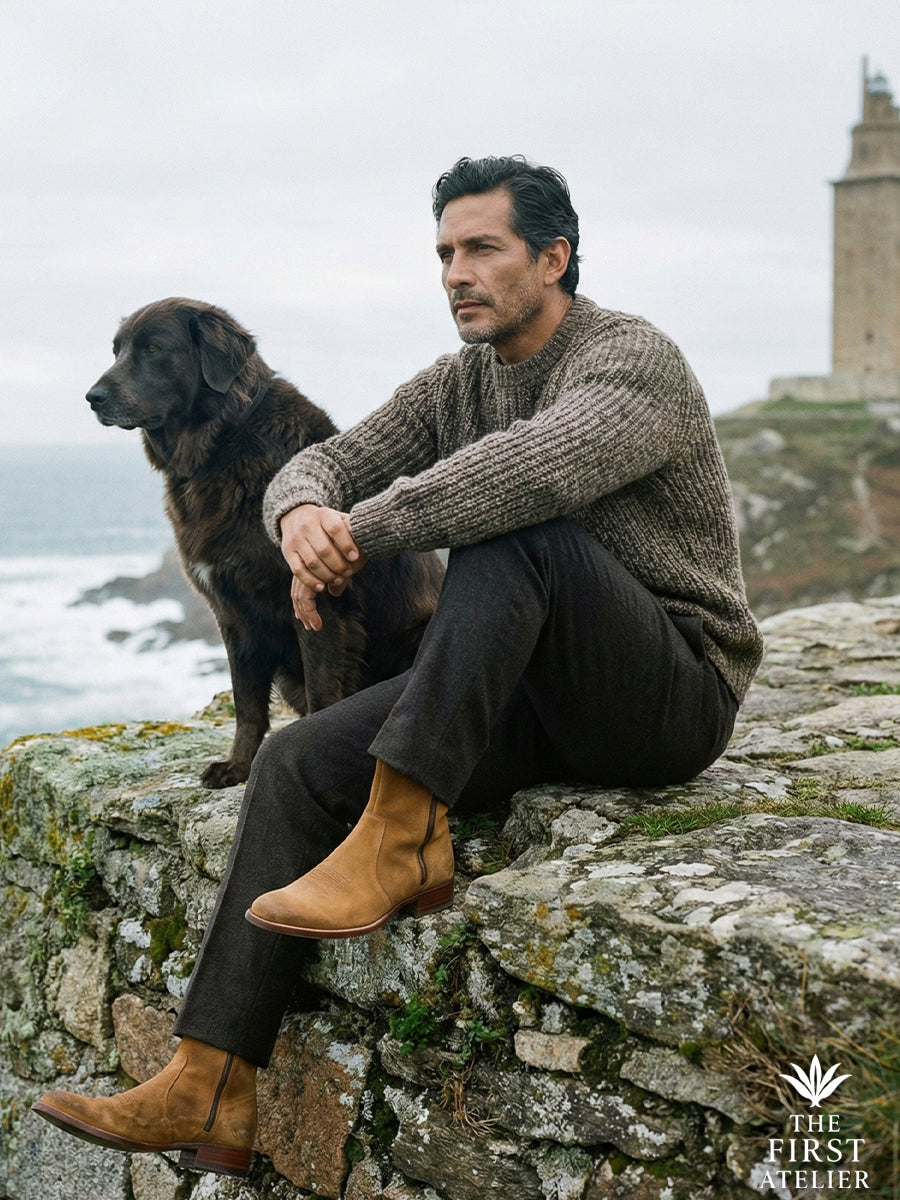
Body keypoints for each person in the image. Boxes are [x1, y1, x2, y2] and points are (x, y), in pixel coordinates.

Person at [33, 155, 763, 1176]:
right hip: (527, 694)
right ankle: (211, 1088)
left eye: (482, 249)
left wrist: (356, 533)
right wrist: (297, 520)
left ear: (553, 258)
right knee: (294, 767)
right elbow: (317, 463)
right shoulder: (458, 380)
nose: (456, 273)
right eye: (445, 254)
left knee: (520, 531)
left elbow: (527, 472)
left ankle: (401, 835)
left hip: (666, 694)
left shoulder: (629, 362)